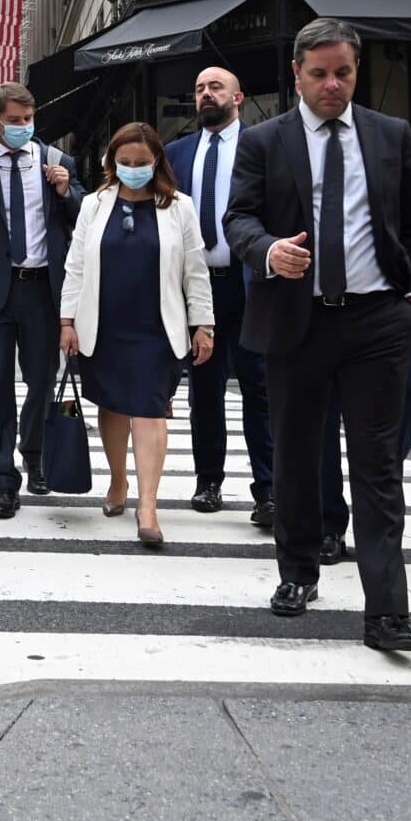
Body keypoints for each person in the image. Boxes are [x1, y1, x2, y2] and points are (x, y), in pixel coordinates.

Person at [225, 19, 411, 654]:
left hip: (377, 320)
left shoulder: (391, 135)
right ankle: (297, 574)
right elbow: (237, 217)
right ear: (296, 74)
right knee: (296, 458)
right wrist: (266, 250)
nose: (331, 85)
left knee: (376, 466)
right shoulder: (264, 140)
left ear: (355, 70)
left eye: (342, 73)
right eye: (319, 74)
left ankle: (388, 611)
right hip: (298, 321)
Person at [60, 124, 215, 545]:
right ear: (112, 163)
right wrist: (67, 321)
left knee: (149, 409)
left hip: (156, 327)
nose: (132, 170)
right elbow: (76, 264)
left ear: (156, 162)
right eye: (124, 163)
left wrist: (204, 324)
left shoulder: (179, 207)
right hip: (104, 323)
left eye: (141, 163)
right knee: (111, 406)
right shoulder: (94, 204)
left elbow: (195, 270)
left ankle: (148, 505)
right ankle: (117, 481)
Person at [0, 83, 85, 517]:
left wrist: (67, 192)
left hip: (42, 289)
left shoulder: (56, 162)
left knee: (43, 380)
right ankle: (3, 477)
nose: (22, 128)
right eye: (14, 121)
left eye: (28, 120)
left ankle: (34, 453)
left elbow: (83, 221)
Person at [165, 66, 276, 526]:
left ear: (239, 97)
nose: (206, 94)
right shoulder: (176, 153)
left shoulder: (264, 146)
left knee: (259, 388)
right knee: (204, 391)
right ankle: (208, 481)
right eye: (199, 89)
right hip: (199, 286)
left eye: (216, 87)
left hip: (251, 283)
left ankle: (268, 489)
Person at [319, 154, 411, 562]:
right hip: (327, 312)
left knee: (410, 400)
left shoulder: (401, 160)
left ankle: (373, 485)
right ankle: (327, 525)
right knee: (320, 424)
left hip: (393, 314)